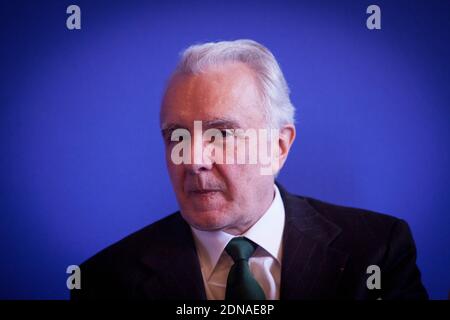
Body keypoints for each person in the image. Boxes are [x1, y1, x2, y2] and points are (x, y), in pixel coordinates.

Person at [71, 39, 428, 300]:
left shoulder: (377, 251)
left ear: (278, 146)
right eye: (176, 136)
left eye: (222, 134)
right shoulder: (104, 283)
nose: (192, 159)